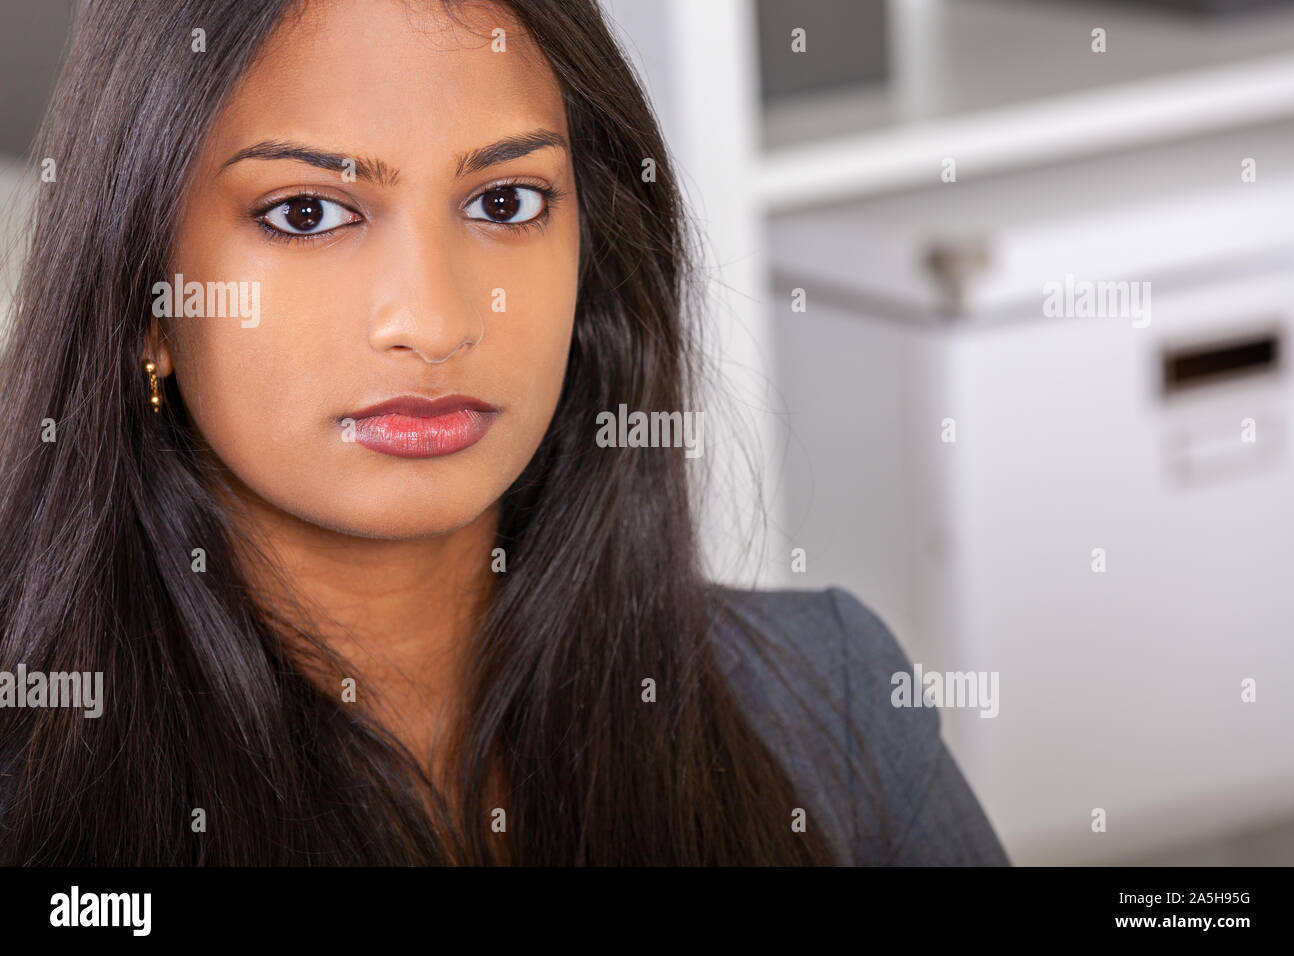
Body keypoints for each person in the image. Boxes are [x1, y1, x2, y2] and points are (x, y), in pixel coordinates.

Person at [0, 0, 1007, 866]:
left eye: (505, 200)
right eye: (307, 212)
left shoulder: (829, 703)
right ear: (145, 300)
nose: (434, 322)